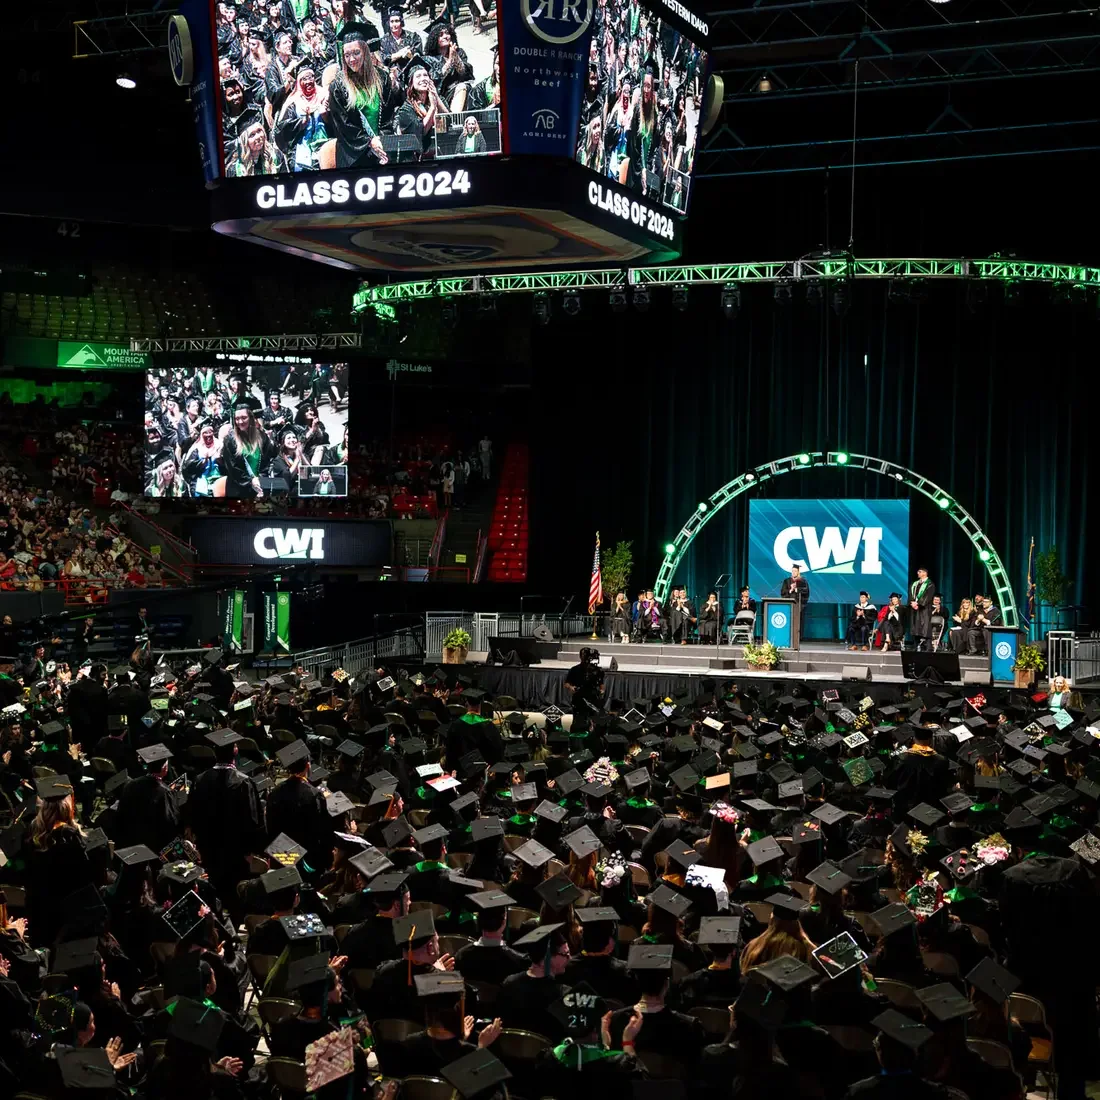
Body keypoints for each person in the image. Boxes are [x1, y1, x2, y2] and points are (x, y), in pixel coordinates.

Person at [326, 22, 391, 168]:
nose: (352, 59)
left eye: (356, 53)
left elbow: (389, 116)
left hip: (383, 147)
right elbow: (344, 126)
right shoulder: (338, 87)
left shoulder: (382, 78)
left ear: (365, 52)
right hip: (354, 156)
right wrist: (369, 142)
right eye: (347, 55)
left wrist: (382, 140)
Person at [219, 400, 278, 499]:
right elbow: (232, 468)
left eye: (243, 418)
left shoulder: (261, 436)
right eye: (237, 419)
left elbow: (267, 460)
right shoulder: (230, 440)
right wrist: (250, 481)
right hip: (238, 488)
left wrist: (260, 478)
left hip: (260, 486)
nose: (240, 422)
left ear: (251, 418)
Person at [780, 564, 810, 640]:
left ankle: (798, 638)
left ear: (798, 572)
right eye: (792, 571)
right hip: (789, 605)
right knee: (788, 621)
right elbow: (783, 592)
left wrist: (796, 589)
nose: (793, 572)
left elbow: (806, 591)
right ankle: (787, 636)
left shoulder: (802, 581)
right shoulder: (786, 581)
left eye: (795, 571)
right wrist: (790, 590)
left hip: (799, 605)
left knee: (799, 621)